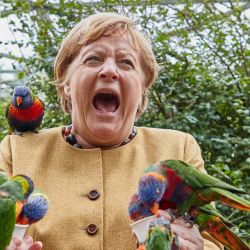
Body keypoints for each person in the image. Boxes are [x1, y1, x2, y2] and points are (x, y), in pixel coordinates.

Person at [0, 12, 223, 250]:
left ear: (142, 87)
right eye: (93, 59)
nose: (109, 71)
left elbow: (213, 240)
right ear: (67, 82)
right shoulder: (17, 149)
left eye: (126, 63)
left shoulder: (178, 149)